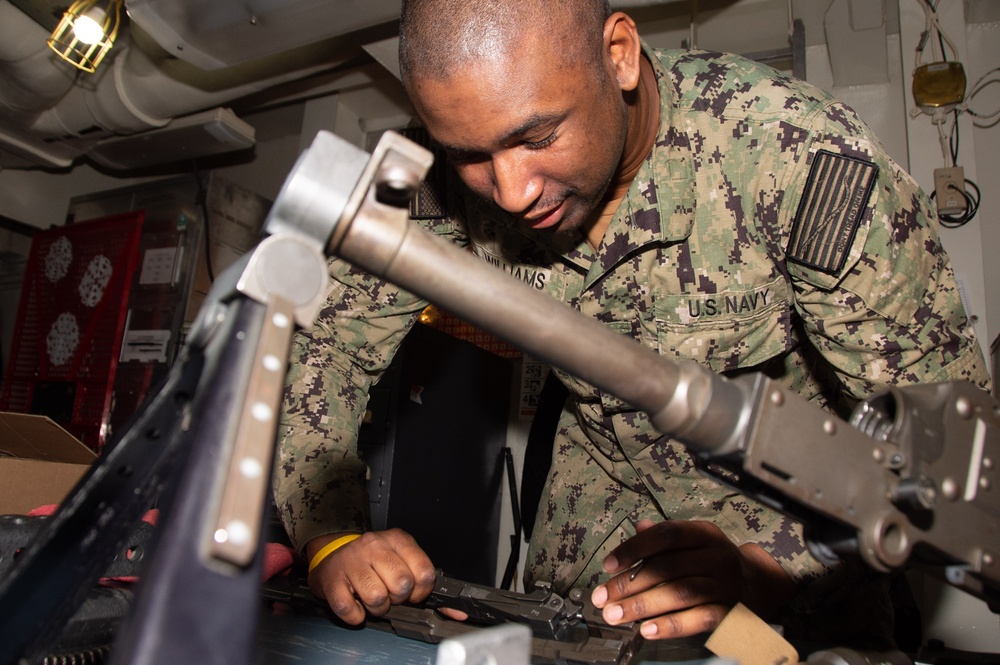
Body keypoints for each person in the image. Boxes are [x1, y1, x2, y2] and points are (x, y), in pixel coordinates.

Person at [275, 0, 990, 649]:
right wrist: (328, 535)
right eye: (471, 155)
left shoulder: (798, 164)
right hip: (601, 512)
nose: (512, 191)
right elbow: (326, 344)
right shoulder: (428, 173)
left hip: (798, 517)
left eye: (538, 135)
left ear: (619, 52)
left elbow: (938, 461)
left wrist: (769, 565)